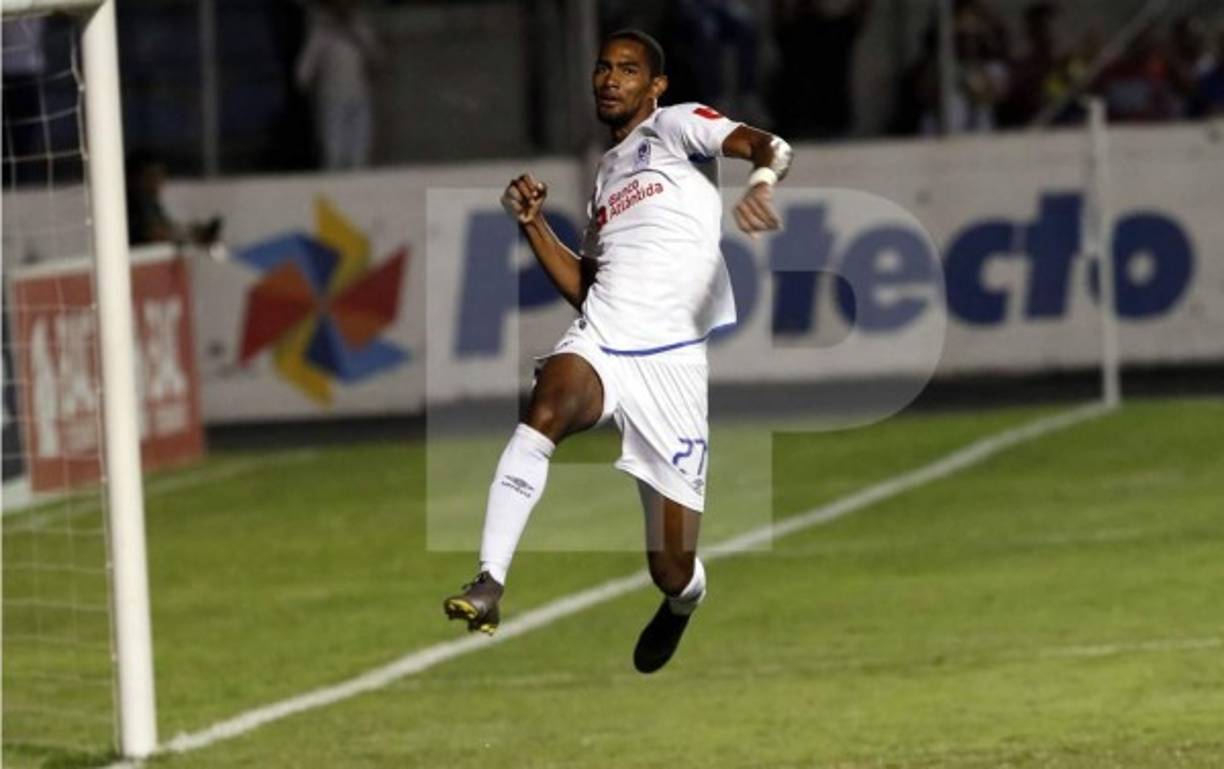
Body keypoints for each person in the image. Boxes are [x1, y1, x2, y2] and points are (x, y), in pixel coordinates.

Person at [443, 29, 791, 674]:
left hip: (673, 367)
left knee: (671, 567)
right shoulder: (607, 178)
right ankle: (489, 582)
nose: (611, 79)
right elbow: (587, 285)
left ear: (655, 86)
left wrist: (763, 180)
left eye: (628, 70)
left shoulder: (678, 128)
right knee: (545, 407)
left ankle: (684, 604)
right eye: (604, 68)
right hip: (603, 339)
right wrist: (532, 225)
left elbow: (769, 144)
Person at [294, 0, 382, 170]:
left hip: (360, 95)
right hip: (333, 98)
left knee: (360, 151)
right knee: (334, 151)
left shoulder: (361, 29)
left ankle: (359, 188)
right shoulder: (322, 33)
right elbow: (304, 71)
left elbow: (376, 58)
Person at [125, 152, 222, 247]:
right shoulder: (133, 203)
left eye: (160, 175)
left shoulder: (150, 202)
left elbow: (164, 226)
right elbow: (152, 231)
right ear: (133, 177)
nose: (157, 181)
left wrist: (192, 231)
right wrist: (190, 235)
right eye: (150, 175)